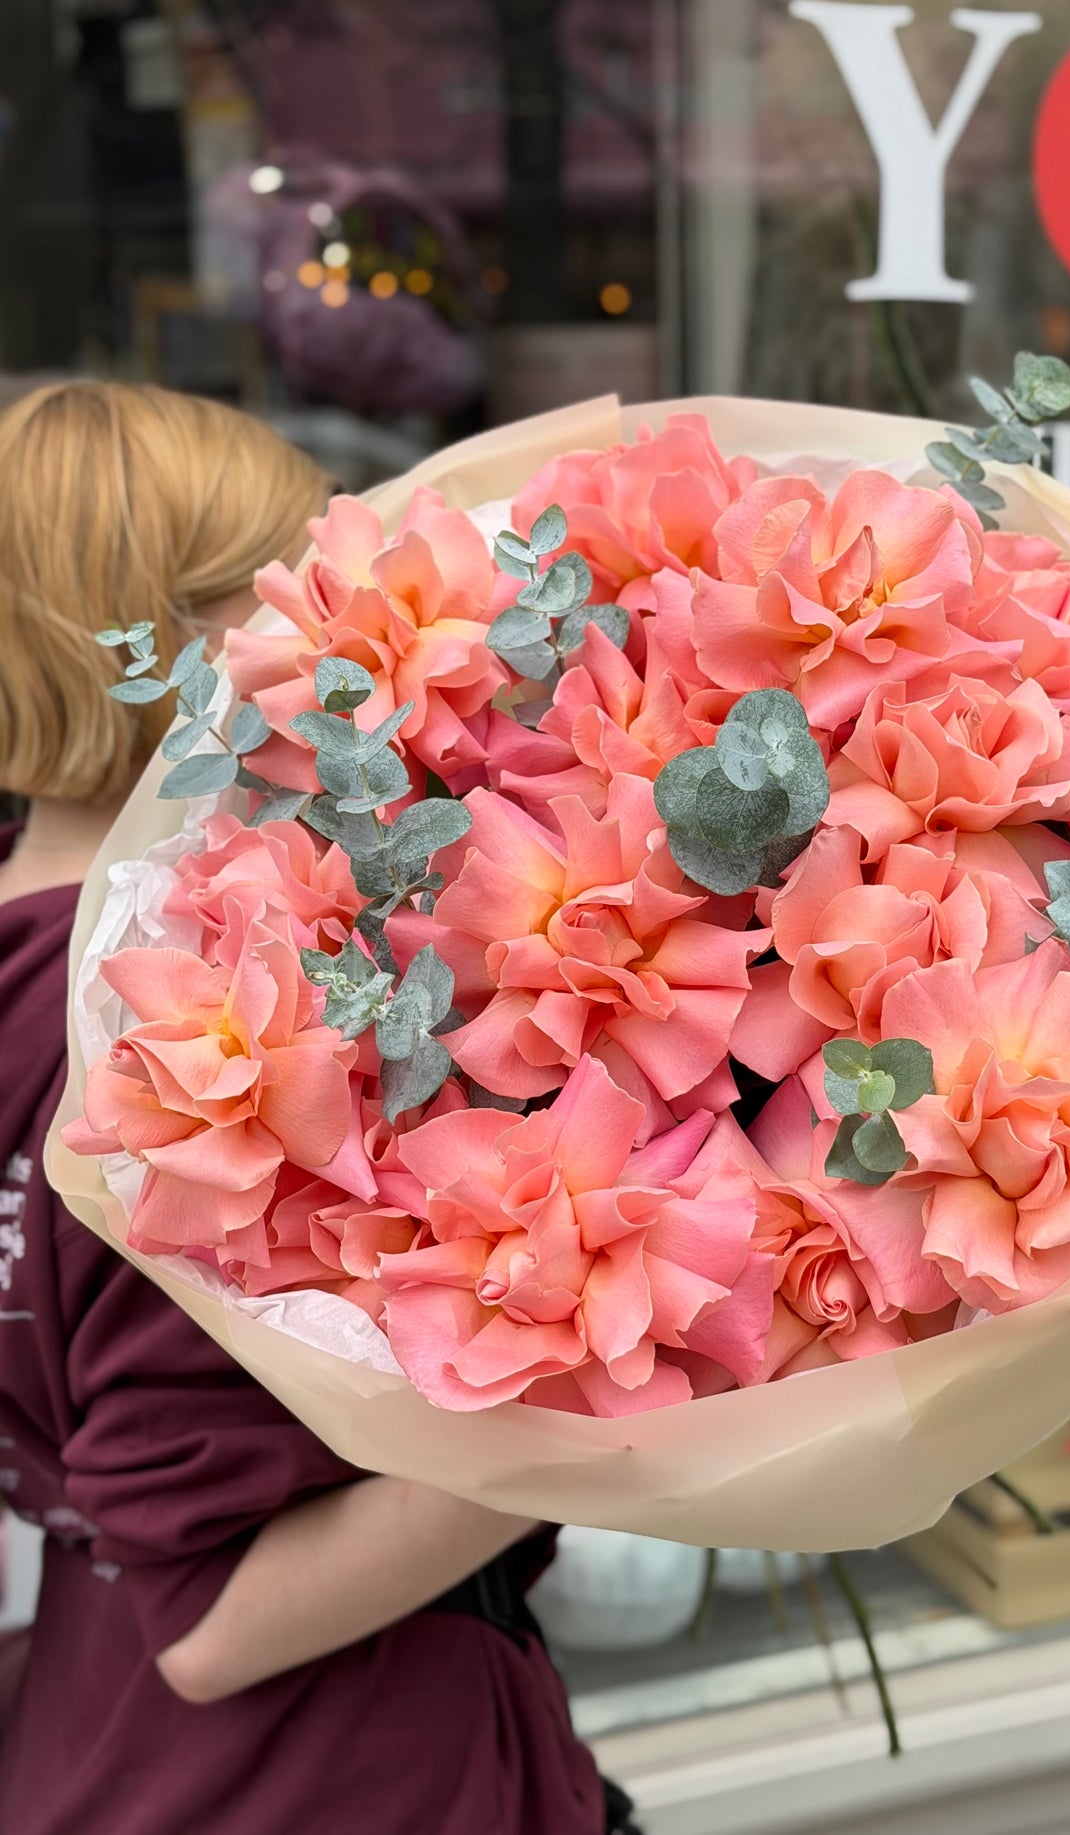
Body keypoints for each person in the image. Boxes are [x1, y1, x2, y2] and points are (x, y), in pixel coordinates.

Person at [0, 381, 634, 1835]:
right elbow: (216, 1615)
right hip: (322, 1775)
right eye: (305, 591)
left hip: (95, 1746)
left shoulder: (39, 973)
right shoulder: (170, 1043)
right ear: (194, 648)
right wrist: (644, 1394)